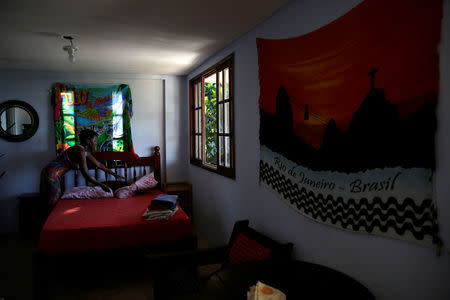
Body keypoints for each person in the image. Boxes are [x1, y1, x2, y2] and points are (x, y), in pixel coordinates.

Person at [40, 129, 123, 205]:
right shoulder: (80, 151)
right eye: (94, 140)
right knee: (53, 200)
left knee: (53, 199)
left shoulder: (84, 151)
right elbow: (85, 174)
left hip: (54, 173)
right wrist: (101, 185)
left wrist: (114, 174)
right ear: (88, 141)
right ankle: (50, 219)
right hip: (52, 173)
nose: (95, 143)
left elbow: (99, 165)